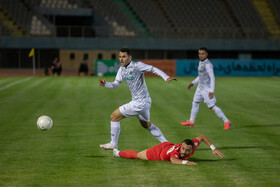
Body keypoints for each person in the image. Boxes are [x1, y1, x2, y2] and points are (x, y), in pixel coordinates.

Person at [99, 48, 177, 150]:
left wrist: (165, 77)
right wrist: (106, 84)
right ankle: (167, 144)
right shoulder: (121, 69)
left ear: (130, 57)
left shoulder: (137, 66)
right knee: (146, 125)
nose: (121, 59)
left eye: (124, 57)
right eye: (120, 57)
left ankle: (113, 143)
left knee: (114, 116)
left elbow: (152, 69)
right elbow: (116, 84)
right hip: (144, 102)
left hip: (139, 103)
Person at [181, 47, 231, 129]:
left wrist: (211, 91)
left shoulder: (208, 65)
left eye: (203, 54)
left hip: (206, 89)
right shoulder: (201, 62)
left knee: (212, 107)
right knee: (195, 102)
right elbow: (201, 75)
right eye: (199, 53)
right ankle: (191, 121)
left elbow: (212, 78)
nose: (201, 55)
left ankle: (226, 121)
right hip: (200, 88)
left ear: (206, 54)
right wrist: (193, 82)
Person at [113, 134, 224, 165]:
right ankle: (117, 153)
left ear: (192, 149)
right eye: (183, 149)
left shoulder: (193, 145)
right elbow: (173, 160)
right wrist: (187, 162)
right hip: (157, 153)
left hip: (168, 145)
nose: (184, 152)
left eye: (187, 150)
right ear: (181, 146)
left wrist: (213, 148)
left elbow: (202, 136)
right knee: (137, 155)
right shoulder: (176, 153)